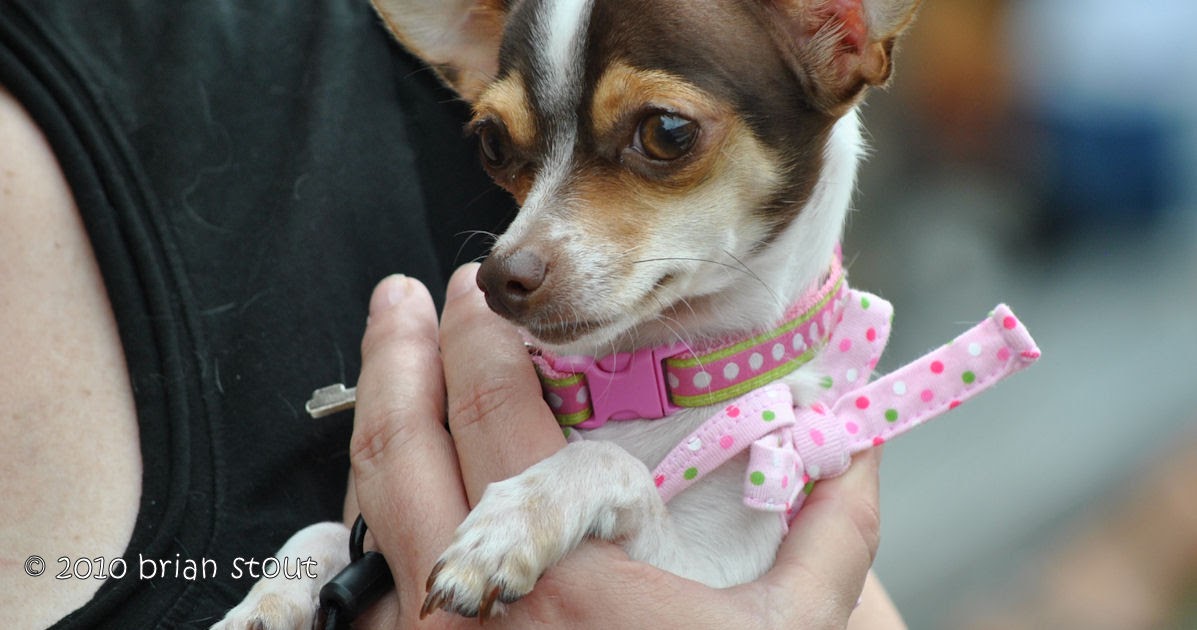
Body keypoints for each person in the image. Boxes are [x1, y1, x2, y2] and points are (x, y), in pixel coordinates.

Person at [0, 2, 902, 628]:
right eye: (503, 148)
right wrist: (326, 566)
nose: (522, 244)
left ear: (840, 25)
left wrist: (595, 483)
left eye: (664, 137)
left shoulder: (802, 433)